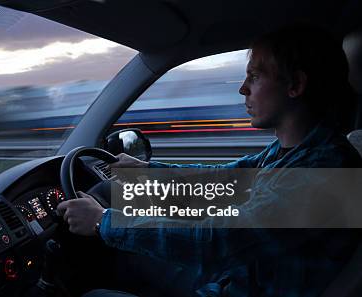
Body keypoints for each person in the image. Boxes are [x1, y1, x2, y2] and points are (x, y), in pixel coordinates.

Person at [57, 24, 362, 297]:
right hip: (240, 277)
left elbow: (218, 241)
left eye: (254, 76)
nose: (243, 88)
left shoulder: (324, 172)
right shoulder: (294, 153)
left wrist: (101, 222)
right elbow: (223, 181)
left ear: (295, 85)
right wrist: (146, 171)